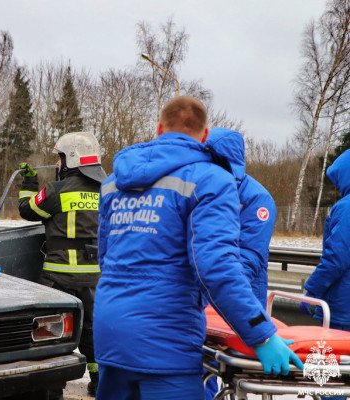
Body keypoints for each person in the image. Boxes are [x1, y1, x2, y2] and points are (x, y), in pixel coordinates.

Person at [93, 96, 302, 400]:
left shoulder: (114, 182)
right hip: (165, 341)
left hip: (111, 330)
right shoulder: (211, 180)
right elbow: (216, 268)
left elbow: (105, 256)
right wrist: (261, 334)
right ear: (205, 136)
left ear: (158, 128)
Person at [18, 131, 107, 397]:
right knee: (92, 331)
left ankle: (51, 387)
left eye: (59, 158)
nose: (57, 164)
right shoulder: (108, 191)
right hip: (96, 278)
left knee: (51, 332)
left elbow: (26, 210)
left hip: (59, 278)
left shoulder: (56, 191)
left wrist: (30, 184)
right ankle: (99, 381)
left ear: (72, 159)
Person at [206, 128, 276, 308]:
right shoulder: (204, 188)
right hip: (206, 294)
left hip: (243, 297)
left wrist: (220, 292)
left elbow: (250, 254)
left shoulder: (257, 198)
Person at [303, 148, 350, 331]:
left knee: (334, 358)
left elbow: (337, 257)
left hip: (343, 307)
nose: (337, 185)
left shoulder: (346, 208)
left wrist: (314, 288)